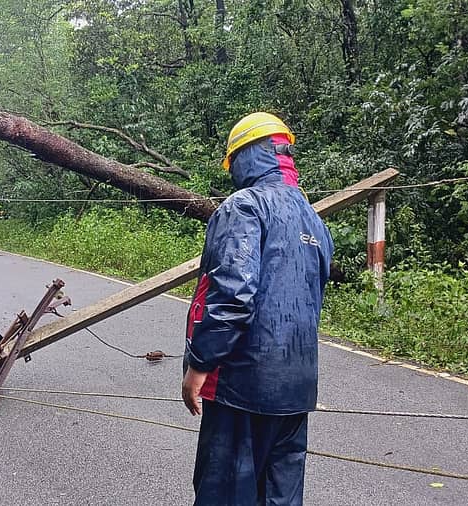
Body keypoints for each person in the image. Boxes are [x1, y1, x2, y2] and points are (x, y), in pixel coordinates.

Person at [181, 112, 333, 505]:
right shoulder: (314, 221)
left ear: (247, 157)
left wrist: (199, 365)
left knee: (227, 494)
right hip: (296, 391)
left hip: (242, 387)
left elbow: (233, 295)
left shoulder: (244, 207)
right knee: (280, 497)